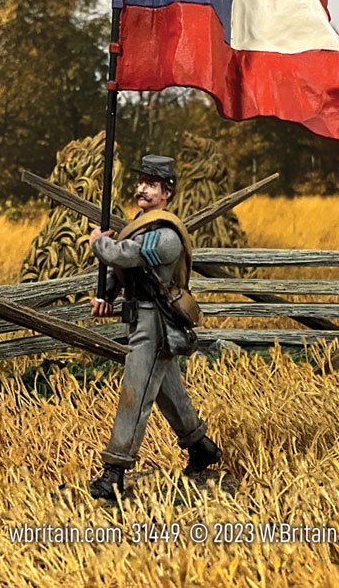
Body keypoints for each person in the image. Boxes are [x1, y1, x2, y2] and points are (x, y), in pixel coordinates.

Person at [87, 154, 222, 500]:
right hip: (141, 316)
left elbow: (124, 255)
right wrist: (107, 295)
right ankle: (201, 447)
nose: (142, 189)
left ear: (167, 193)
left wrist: (99, 243)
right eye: (141, 182)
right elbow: (127, 272)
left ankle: (114, 470)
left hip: (155, 323)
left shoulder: (164, 236)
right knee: (167, 390)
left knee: (135, 393)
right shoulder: (143, 226)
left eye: (151, 184)